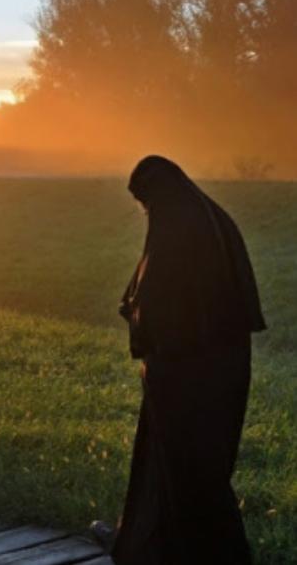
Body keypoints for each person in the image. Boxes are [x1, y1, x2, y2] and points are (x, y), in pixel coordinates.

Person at [110, 155, 265, 565]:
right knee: (196, 466)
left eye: (146, 204)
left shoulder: (175, 228)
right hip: (223, 368)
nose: (146, 212)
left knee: (188, 471)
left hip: (184, 373)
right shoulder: (211, 219)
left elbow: (156, 306)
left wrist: (141, 325)